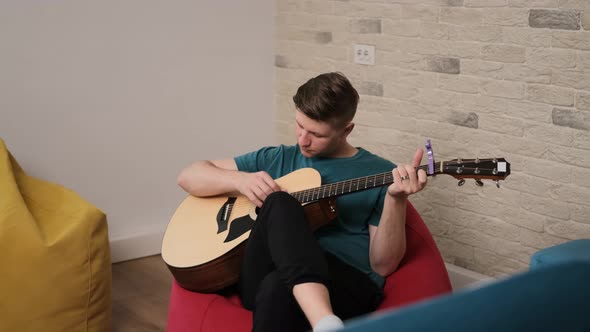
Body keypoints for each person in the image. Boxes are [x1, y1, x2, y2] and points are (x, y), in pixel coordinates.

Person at [177, 72, 427, 332]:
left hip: (344, 282)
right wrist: (240, 181)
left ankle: (323, 318)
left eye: (316, 134)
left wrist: (396, 199)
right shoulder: (278, 158)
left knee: (277, 287)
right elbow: (189, 176)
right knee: (280, 202)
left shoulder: (381, 173)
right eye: (300, 125)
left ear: (347, 130)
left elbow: (383, 265)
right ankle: (325, 322)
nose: (302, 140)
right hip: (263, 274)